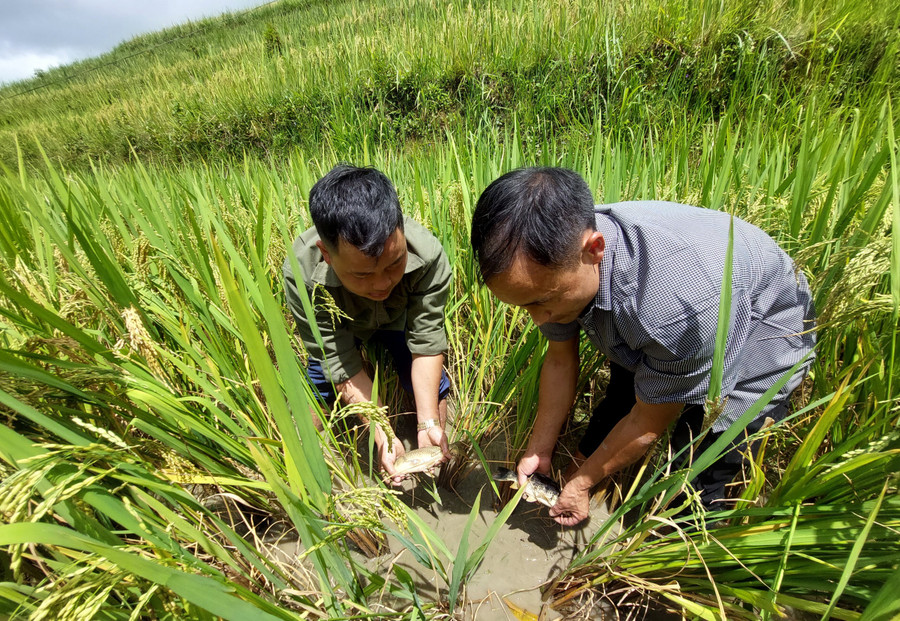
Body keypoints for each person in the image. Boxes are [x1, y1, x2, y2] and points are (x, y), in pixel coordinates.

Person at [471, 167, 815, 526]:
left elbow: (648, 421)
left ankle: (678, 551)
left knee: (699, 466)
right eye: (523, 306)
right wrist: (540, 449)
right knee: (626, 390)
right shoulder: (558, 256)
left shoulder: (672, 311)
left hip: (762, 335)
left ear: (594, 250)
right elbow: (559, 361)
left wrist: (584, 483)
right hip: (655, 314)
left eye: (541, 303)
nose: (538, 320)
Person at [283, 164, 452, 481]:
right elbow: (337, 358)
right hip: (343, 324)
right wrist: (381, 431)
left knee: (433, 389)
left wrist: (427, 421)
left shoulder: (428, 255)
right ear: (327, 255)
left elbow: (427, 344)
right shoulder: (301, 272)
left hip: (397, 319)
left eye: (395, 263)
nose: (382, 284)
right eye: (362, 274)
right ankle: (297, 467)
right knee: (320, 384)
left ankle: (438, 463)